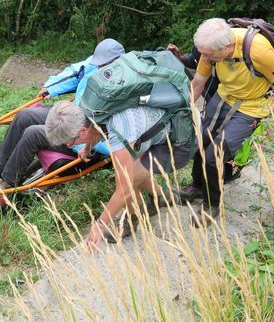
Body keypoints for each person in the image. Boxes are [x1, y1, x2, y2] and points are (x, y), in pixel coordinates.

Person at [177, 18, 274, 227]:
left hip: (252, 106)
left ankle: (211, 205)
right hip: (224, 95)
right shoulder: (211, 49)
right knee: (201, 140)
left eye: (209, 55)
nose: (204, 58)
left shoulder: (257, 51)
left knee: (214, 155)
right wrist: (182, 110)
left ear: (228, 48)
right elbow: (198, 81)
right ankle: (198, 186)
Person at [0, 39, 125, 206]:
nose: (99, 68)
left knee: (33, 133)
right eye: (98, 64)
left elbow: (117, 136)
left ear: (118, 61)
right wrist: (52, 87)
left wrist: (87, 146)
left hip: (84, 135)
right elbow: (75, 71)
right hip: (73, 115)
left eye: (103, 65)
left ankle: (6, 189)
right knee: (25, 115)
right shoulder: (96, 64)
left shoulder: (122, 85)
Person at [45, 98, 192, 248]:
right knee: (130, 170)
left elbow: (124, 191)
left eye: (70, 143)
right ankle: (162, 196)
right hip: (160, 125)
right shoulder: (91, 107)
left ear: (82, 131)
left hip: (180, 139)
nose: (70, 146)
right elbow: (96, 128)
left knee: (126, 178)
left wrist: (99, 226)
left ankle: (132, 218)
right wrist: (88, 148)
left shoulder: (120, 134)